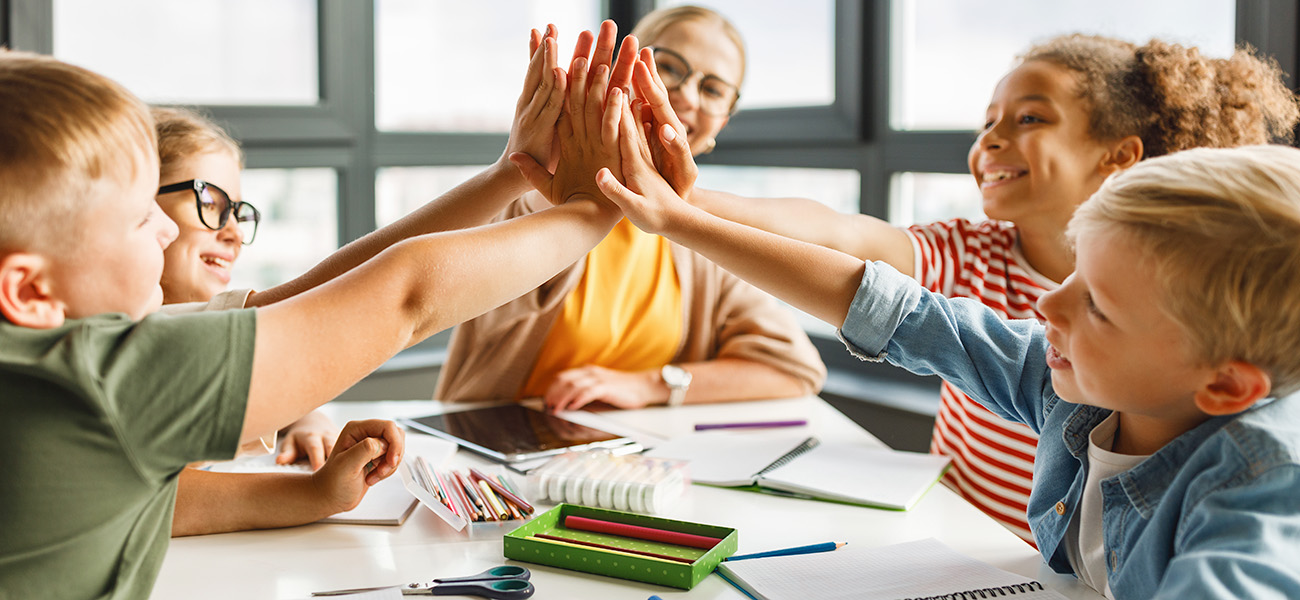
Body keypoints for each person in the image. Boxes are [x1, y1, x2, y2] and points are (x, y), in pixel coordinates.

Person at [589, 60, 1300, 594]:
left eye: (1098, 307)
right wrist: (678, 219)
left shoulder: (1258, 491)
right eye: (1074, 276)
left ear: (1226, 385)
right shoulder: (1073, 381)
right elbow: (884, 303)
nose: (1047, 307)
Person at [0, 31, 626, 598]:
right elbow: (405, 296)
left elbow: (303, 297)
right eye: (140, 217)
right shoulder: (101, 377)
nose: (163, 230)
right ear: (29, 289)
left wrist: (509, 176)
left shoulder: (37, 361)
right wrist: (594, 206)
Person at [436, 9, 826, 412]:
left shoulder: (701, 240)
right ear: (623, 70)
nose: (687, 97)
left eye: (712, 90)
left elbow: (796, 368)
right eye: (668, 68)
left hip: (626, 449)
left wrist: (650, 386)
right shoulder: (539, 197)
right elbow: (443, 286)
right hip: (495, 442)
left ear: (722, 124)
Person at [153, 106, 339, 470]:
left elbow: (264, 383)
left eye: (238, 213)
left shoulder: (207, 333)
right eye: (210, 202)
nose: (235, 232)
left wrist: (307, 419)